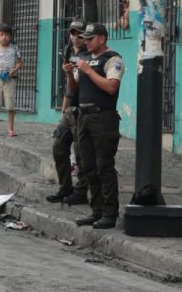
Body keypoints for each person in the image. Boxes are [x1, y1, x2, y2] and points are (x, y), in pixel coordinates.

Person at [69, 22, 125, 230]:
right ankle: (97, 211)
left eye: (90, 38)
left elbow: (111, 87)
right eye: (85, 38)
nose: (86, 42)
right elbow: (75, 86)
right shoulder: (85, 60)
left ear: (102, 38)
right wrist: (69, 73)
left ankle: (110, 213)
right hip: (83, 117)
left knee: (104, 166)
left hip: (103, 118)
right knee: (88, 166)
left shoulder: (113, 60)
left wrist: (89, 71)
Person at [48, 20, 90, 205]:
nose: (75, 38)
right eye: (73, 33)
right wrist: (64, 108)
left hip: (85, 107)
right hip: (71, 106)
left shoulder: (90, 55)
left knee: (82, 153)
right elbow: (70, 85)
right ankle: (65, 187)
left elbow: (79, 82)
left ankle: (81, 191)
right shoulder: (68, 50)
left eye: (79, 34)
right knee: (59, 145)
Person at [0, 23, 22, 137]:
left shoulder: (14, 48)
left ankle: (11, 129)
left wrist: (13, 70)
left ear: (10, 36)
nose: (4, 37)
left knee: (10, 105)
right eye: (1, 34)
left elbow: (20, 63)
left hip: (10, 79)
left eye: (7, 34)